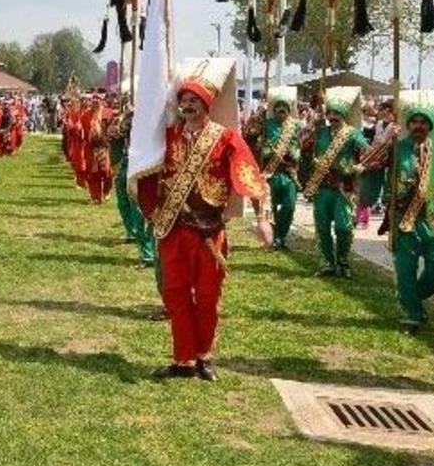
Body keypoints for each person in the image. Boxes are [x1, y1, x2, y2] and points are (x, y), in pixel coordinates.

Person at [136, 59, 272, 381]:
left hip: (209, 234)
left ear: (206, 103)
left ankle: (204, 355)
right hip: (173, 231)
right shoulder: (166, 137)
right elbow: (145, 167)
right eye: (183, 100)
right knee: (175, 293)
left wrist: (263, 218)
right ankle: (183, 359)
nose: (187, 105)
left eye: (194, 100)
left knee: (208, 296)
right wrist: (149, 207)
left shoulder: (225, 139)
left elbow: (249, 175)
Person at [358, 91, 434, 334]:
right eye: (414, 122)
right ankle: (412, 314)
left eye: (423, 122)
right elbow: (367, 162)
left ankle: (412, 297)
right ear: (408, 124)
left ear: (430, 125)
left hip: (433, 219)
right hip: (403, 219)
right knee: (405, 270)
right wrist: (385, 139)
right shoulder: (397, 147)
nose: (418, 126)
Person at [299, 87, 370, 278]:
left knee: (343, 226)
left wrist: (358, 167)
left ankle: (343, 261)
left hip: (344, 189)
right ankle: (327, 263)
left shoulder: (353, 134)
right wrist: (313, 123)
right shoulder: (320, 132)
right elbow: (304, 149)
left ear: (344, 114)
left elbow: (368, 155)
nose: (332, 116)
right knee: (322, 227)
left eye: (336, 113)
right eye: (330, 113)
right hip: (322, 187)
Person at [245, 86, 302, 251]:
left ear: (290, 109)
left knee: (289, 206)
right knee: (270, 208)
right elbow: (249, 134)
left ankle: (281, 236)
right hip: (269, 173)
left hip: (289, 173)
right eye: (277, 107)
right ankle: (274, 237)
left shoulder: (296, 125)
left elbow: (303, 142)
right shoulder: (266, 123)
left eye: (284, 107)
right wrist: (258, 113)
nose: (281, 110)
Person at [110, 100, 155, 266]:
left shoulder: (153, 118)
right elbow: (116, 134)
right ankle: (132, 232)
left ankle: (148, 253)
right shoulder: (129, 117)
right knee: (123, 202)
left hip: (142, 166)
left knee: (139, 209)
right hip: (126, 163)